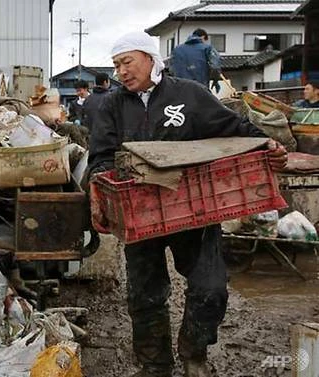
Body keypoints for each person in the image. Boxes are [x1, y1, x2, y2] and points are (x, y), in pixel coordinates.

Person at [88, 31, 287, 377]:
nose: (120, 71)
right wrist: (103, 190)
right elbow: (101, 158)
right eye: (116, 65)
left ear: (151, 58)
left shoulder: (189, 94)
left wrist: (267, 145)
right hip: (139, 214)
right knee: (145, 296)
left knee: (211, 288)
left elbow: (233, 128)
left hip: (193, 208)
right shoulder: (112, 105)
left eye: (127, 62)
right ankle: (155, 366)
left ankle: (194, 352)